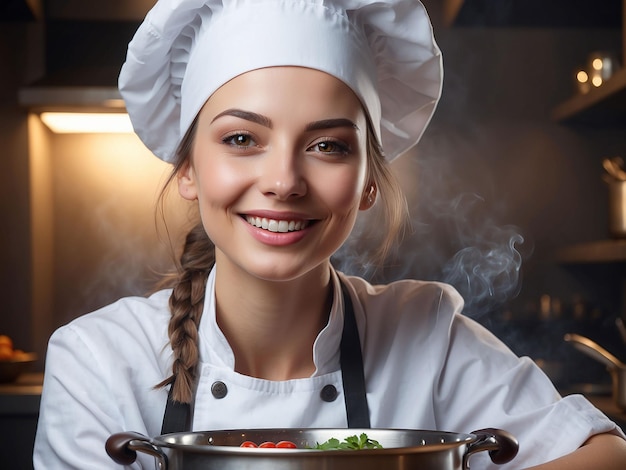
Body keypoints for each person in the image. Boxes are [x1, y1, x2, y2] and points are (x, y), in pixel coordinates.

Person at [33, 0, 626, 468]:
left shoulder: (426, 338)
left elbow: (605, 451)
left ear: (368, 181)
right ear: (187, 169)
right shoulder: (99, 363)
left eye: (328, 146)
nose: (285, 181)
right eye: (242, 138)